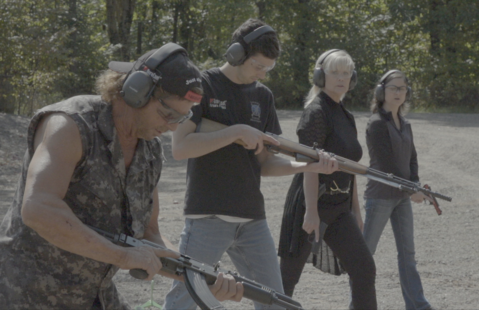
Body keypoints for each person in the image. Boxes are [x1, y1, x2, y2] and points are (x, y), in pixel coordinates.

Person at [0, 43, 243, 309]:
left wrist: (201, 277)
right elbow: (39, 208)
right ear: (136, 93)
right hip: (25, 292)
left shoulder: (148, 150)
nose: (172, 127)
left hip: (94, 294)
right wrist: (123, 257)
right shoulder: (71, 124)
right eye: (167, 114)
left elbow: (150, 236)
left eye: (181, 119)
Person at [164, 19, 338, 310]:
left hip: (252, 218)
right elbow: (180, 147)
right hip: (208, 215)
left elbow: (265, 163)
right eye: (258, 66)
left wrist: (308, 167)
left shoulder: (263, 96)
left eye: (268, 69)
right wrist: (235, 132)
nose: (263, 74)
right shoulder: (203, 85)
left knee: (276, 302)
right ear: (236, 54)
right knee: (182, 301)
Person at [278, 49, 377, 309]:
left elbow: (350, 168)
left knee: (364, 269)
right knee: (285, 281)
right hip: (310, 206)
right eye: (335, 72)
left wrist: (356, 210)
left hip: (340, 208)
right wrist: (311, 212)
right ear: (321, 76)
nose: (341, 78)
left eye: (346, 73)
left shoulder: (345, 115)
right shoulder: (316, 112)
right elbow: (310, 164)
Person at [362, 70, 435, 310]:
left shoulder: (405, 123)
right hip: (381, 197)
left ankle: (418, 305)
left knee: (408, 255)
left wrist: (415, 183)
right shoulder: (376, 124)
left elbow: (411, 158)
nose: (398, 93)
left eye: (402, 88)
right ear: (381, 91)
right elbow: (386, 166)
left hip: (402, 196)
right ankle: (359, 303)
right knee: (365, 255)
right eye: (393, 88)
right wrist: (410, 190)